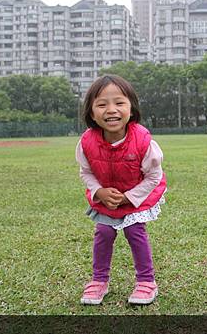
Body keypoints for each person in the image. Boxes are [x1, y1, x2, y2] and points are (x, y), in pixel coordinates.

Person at [75, 74, 167, 306]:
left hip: (136, 193)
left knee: (135, 231)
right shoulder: (86, 142)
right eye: (102, 104)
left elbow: (154, 176)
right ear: (91, 113)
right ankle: (99, 280)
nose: (111, 110)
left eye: (119, 103)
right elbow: (85, 172)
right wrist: (99, 192)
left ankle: (146, 281)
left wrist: (129, 197)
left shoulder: (143, 141)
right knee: (104, 233)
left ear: (131, 108)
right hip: (106, 197)